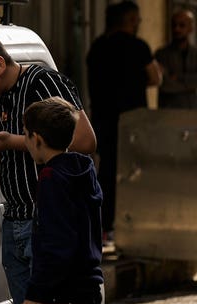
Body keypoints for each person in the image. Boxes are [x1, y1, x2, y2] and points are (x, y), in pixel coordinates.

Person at [0, 30, 97, 304]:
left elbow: (84, 142)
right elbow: (23, 158)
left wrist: (12, 142)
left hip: (43, 223)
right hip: (14, 223)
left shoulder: (43, 83)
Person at [18, 97, 104, 304]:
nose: (24, 141)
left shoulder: (51, 178)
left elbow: (57, 241)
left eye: (25, 133)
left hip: (63, 292)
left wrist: (36, 293)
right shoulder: (84, 169)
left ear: (36, 139)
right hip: (90, 285)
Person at [86, 0, 161, 246]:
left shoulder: (97, 47)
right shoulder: (138, 47)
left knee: (106, 171)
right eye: (137, 20)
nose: (139, 24)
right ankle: (132, 226)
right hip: (133, 122)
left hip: (103, 121)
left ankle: (104, 226)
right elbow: (154, 78)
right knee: (135, 172)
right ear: (130, 21)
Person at [155, 9, 197, 109]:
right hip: (168, 111)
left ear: (191, 28)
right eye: (174, 25)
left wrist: (177, 77)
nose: (176, 29)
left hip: (192, 111)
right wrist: (189, 84)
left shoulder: (195, 54)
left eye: (182, 25)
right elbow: (165, 85)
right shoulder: (161, 54)